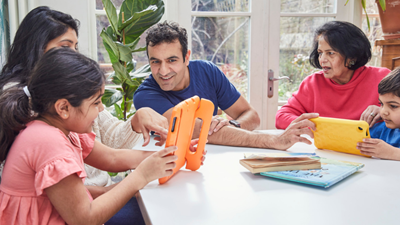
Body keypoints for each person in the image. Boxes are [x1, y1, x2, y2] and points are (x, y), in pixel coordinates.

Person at [0, 48, 184, 225]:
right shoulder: (48, 142)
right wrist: (141, 176)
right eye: (96, 102)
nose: (102, 108)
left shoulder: (60, 130)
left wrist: (171, 153)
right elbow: (85, 219)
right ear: (63, 108)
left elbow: (112, 157)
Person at [0, 6, 168, 193]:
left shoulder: (69, 110)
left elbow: (111, 154)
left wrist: (162, 150)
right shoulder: (33, 116)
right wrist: (127, 187)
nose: (75, 55)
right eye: (65, 47)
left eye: (76, 47)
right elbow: (69, 203)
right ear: (62, 108)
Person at [134, 21, 318, 150]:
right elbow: (199, 131)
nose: (163, 71)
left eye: (172, 60)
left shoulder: (207, 71)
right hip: (171, 168)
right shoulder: (145, 96)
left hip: (213, 161)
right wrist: (274, 140)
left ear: (187, 57)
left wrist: (231, 127)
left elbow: (251, 116)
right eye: (155, 62)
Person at [275, 21, 391, 129]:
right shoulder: (313, 83)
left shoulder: (383, 78)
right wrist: (317, 126)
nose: (322, 60)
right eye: (320, 53)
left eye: (330, 53)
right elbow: (282, 117)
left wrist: (382, 111)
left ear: (352, 56)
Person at [357, 67, 400, 160]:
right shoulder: (383, 129)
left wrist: (392, 153)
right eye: (381, 104)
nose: (383, 111)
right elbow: (353, 139)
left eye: (393, 106)